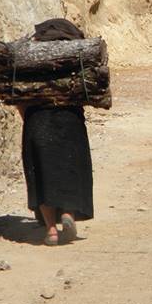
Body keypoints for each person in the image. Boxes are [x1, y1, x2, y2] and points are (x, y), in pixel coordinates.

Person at [19, 18, 94, 245]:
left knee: (41, 174)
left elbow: (18, 97)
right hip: (70, 119)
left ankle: (51, 230)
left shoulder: (29, 63)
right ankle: (68, 214)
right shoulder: (74, 62)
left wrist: (28, 119)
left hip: (37, 119)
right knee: (70, 169)